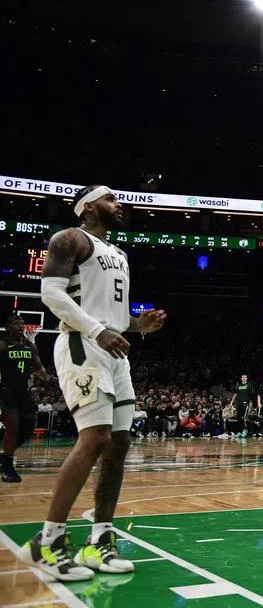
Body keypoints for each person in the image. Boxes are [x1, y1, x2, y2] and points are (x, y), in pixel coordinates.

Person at [18, 185, 167, 580]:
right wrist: (99, 330)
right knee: (96, 437)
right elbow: (51, 294)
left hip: (112, 350)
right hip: (81, 342)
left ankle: (99, 541)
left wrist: (138, 325)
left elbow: (111, 311)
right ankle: (47, 541)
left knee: (119, 444)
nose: (120, 205)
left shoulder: (118, 253)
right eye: (111, 199)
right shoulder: (69, 238)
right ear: (88, 206)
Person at [1, 314, 47, 482]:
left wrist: (44, 374)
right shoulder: (3, 345)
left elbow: (39, 366)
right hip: (6, 391)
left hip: (23, 392)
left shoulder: (30, 346)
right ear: (8, 327)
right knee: (12, 427)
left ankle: (5, 455)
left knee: (28, 428)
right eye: (16, 323)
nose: (20, 326)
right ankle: (7, 466)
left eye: (22, 323)